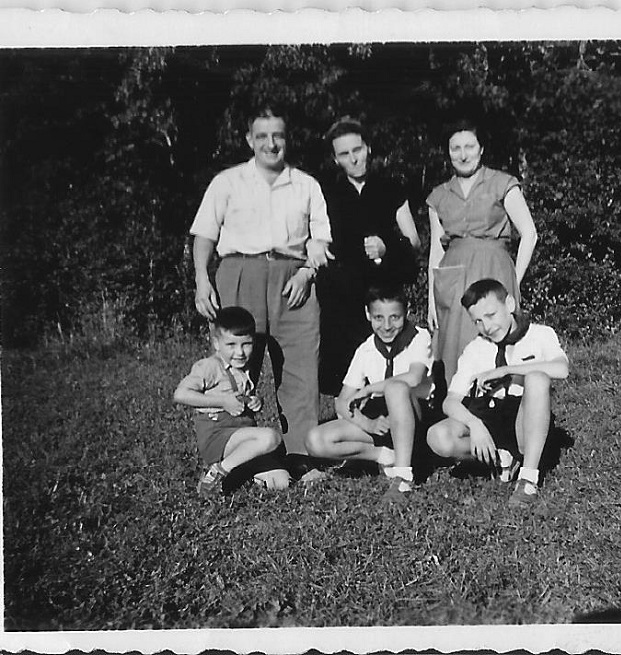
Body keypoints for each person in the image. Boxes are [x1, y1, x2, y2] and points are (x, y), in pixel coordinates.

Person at [189, 105, 332, 479]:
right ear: (249, 140)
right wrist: (202, 279)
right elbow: (204, 233)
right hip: (239, 273)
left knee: (301, 369)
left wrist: (307, 271)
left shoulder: (306, 185)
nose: (271, 144)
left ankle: (302, 454)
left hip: (293, 281)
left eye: (278, 136)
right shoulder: (227, 182)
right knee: (234, 367)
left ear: (287, 139)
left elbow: (320, 240)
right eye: (263, 136)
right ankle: (236, 451)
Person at [426, 279, 568, 508]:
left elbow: (561, 369)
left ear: (509, 304)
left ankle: (528, 478)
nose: (487, 327)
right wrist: (474, 424)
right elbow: (450, 401)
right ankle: (501, 458)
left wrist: (506, 370)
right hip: (489, 414)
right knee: (438, 436)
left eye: (491, 315)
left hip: (525, 417)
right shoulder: (476, 348)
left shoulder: (540, 334)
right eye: (478, 321)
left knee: (537, 378)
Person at [426, 120, 538, 385]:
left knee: (495, 338)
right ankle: (457, 411)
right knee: (455, 345)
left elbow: (529, 235)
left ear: (481, 149)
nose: (463, 155)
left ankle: (502, 410)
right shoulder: (438, 196)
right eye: (455, 148)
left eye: (469, 147)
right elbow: (435, 250)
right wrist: (431, 298)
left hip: (493, 269)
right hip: (452, 280)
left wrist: (514, 281)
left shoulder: (502, 183)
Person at [318, 117, 420, 396]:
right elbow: (313, 237)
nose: (353, 159)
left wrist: (388, 246)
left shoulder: (391, 187)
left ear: (369, 148)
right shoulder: (325, 193)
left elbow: (414, 242)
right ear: (335, 159)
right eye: (344, 154)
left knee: (389, 371)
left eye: (358, 150)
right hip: (342, 300)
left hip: (383, 295)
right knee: (346, 378)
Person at [305, 286, 432, 503]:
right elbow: (343, 401)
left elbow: (413, 378)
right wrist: (368, 425)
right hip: (381, 416)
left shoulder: (420, 337)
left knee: (396, 388)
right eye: (378, 318)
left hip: (415, 415)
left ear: (407, 311)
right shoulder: (366, 349)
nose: (387, 326)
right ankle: (385, 455)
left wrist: (370, 389)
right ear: (367, 314)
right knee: (316, 440)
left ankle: (403, 476)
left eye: (395, 317)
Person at [174, 306, 291, 495]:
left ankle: (238, 471)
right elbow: (180, 394)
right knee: (271, 437)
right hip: (218, 437)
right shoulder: (210, 366)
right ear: (217, 343)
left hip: (240, 436)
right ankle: (217, 472)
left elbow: (240, 398)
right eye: (231, 345)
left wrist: (254, 401)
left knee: (281, 481)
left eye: (246, 344)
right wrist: (222, 402)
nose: (240, 352)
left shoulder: (243, 369)